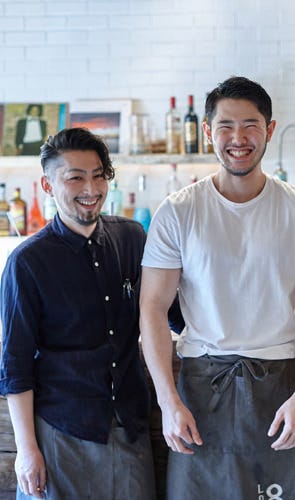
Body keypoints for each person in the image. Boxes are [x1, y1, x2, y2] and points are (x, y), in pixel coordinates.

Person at [139, 76, 295, 499]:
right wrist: (168, 402)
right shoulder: (178, 211)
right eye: (226, 126)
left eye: (251, 125)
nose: (238, 138)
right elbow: (153, 308)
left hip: (279, 388)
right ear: (208, 131)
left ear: (269, 130)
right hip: (199, 389)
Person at [0, 127, 184, 499]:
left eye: (99, 175)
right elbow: (14, 364)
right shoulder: (27, 263)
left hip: (129, 427)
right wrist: (26, 450)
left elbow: (174, 314)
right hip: (61, 432)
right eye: (76, 177)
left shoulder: (132, 237)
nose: (91, 188)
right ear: (49, 185)